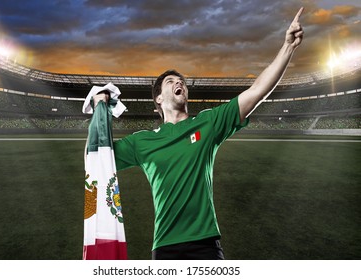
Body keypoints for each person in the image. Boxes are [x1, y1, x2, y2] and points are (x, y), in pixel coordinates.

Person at [92, 7, 304, 260]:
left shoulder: (208, 123)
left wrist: (288, 47)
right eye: (171, 81)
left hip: (206, 245)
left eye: (181, 81)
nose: (179, 83)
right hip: (165, 246)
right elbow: (98, 158)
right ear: (159, 97)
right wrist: (100, 108)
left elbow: (257, 91)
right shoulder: (142, 142)